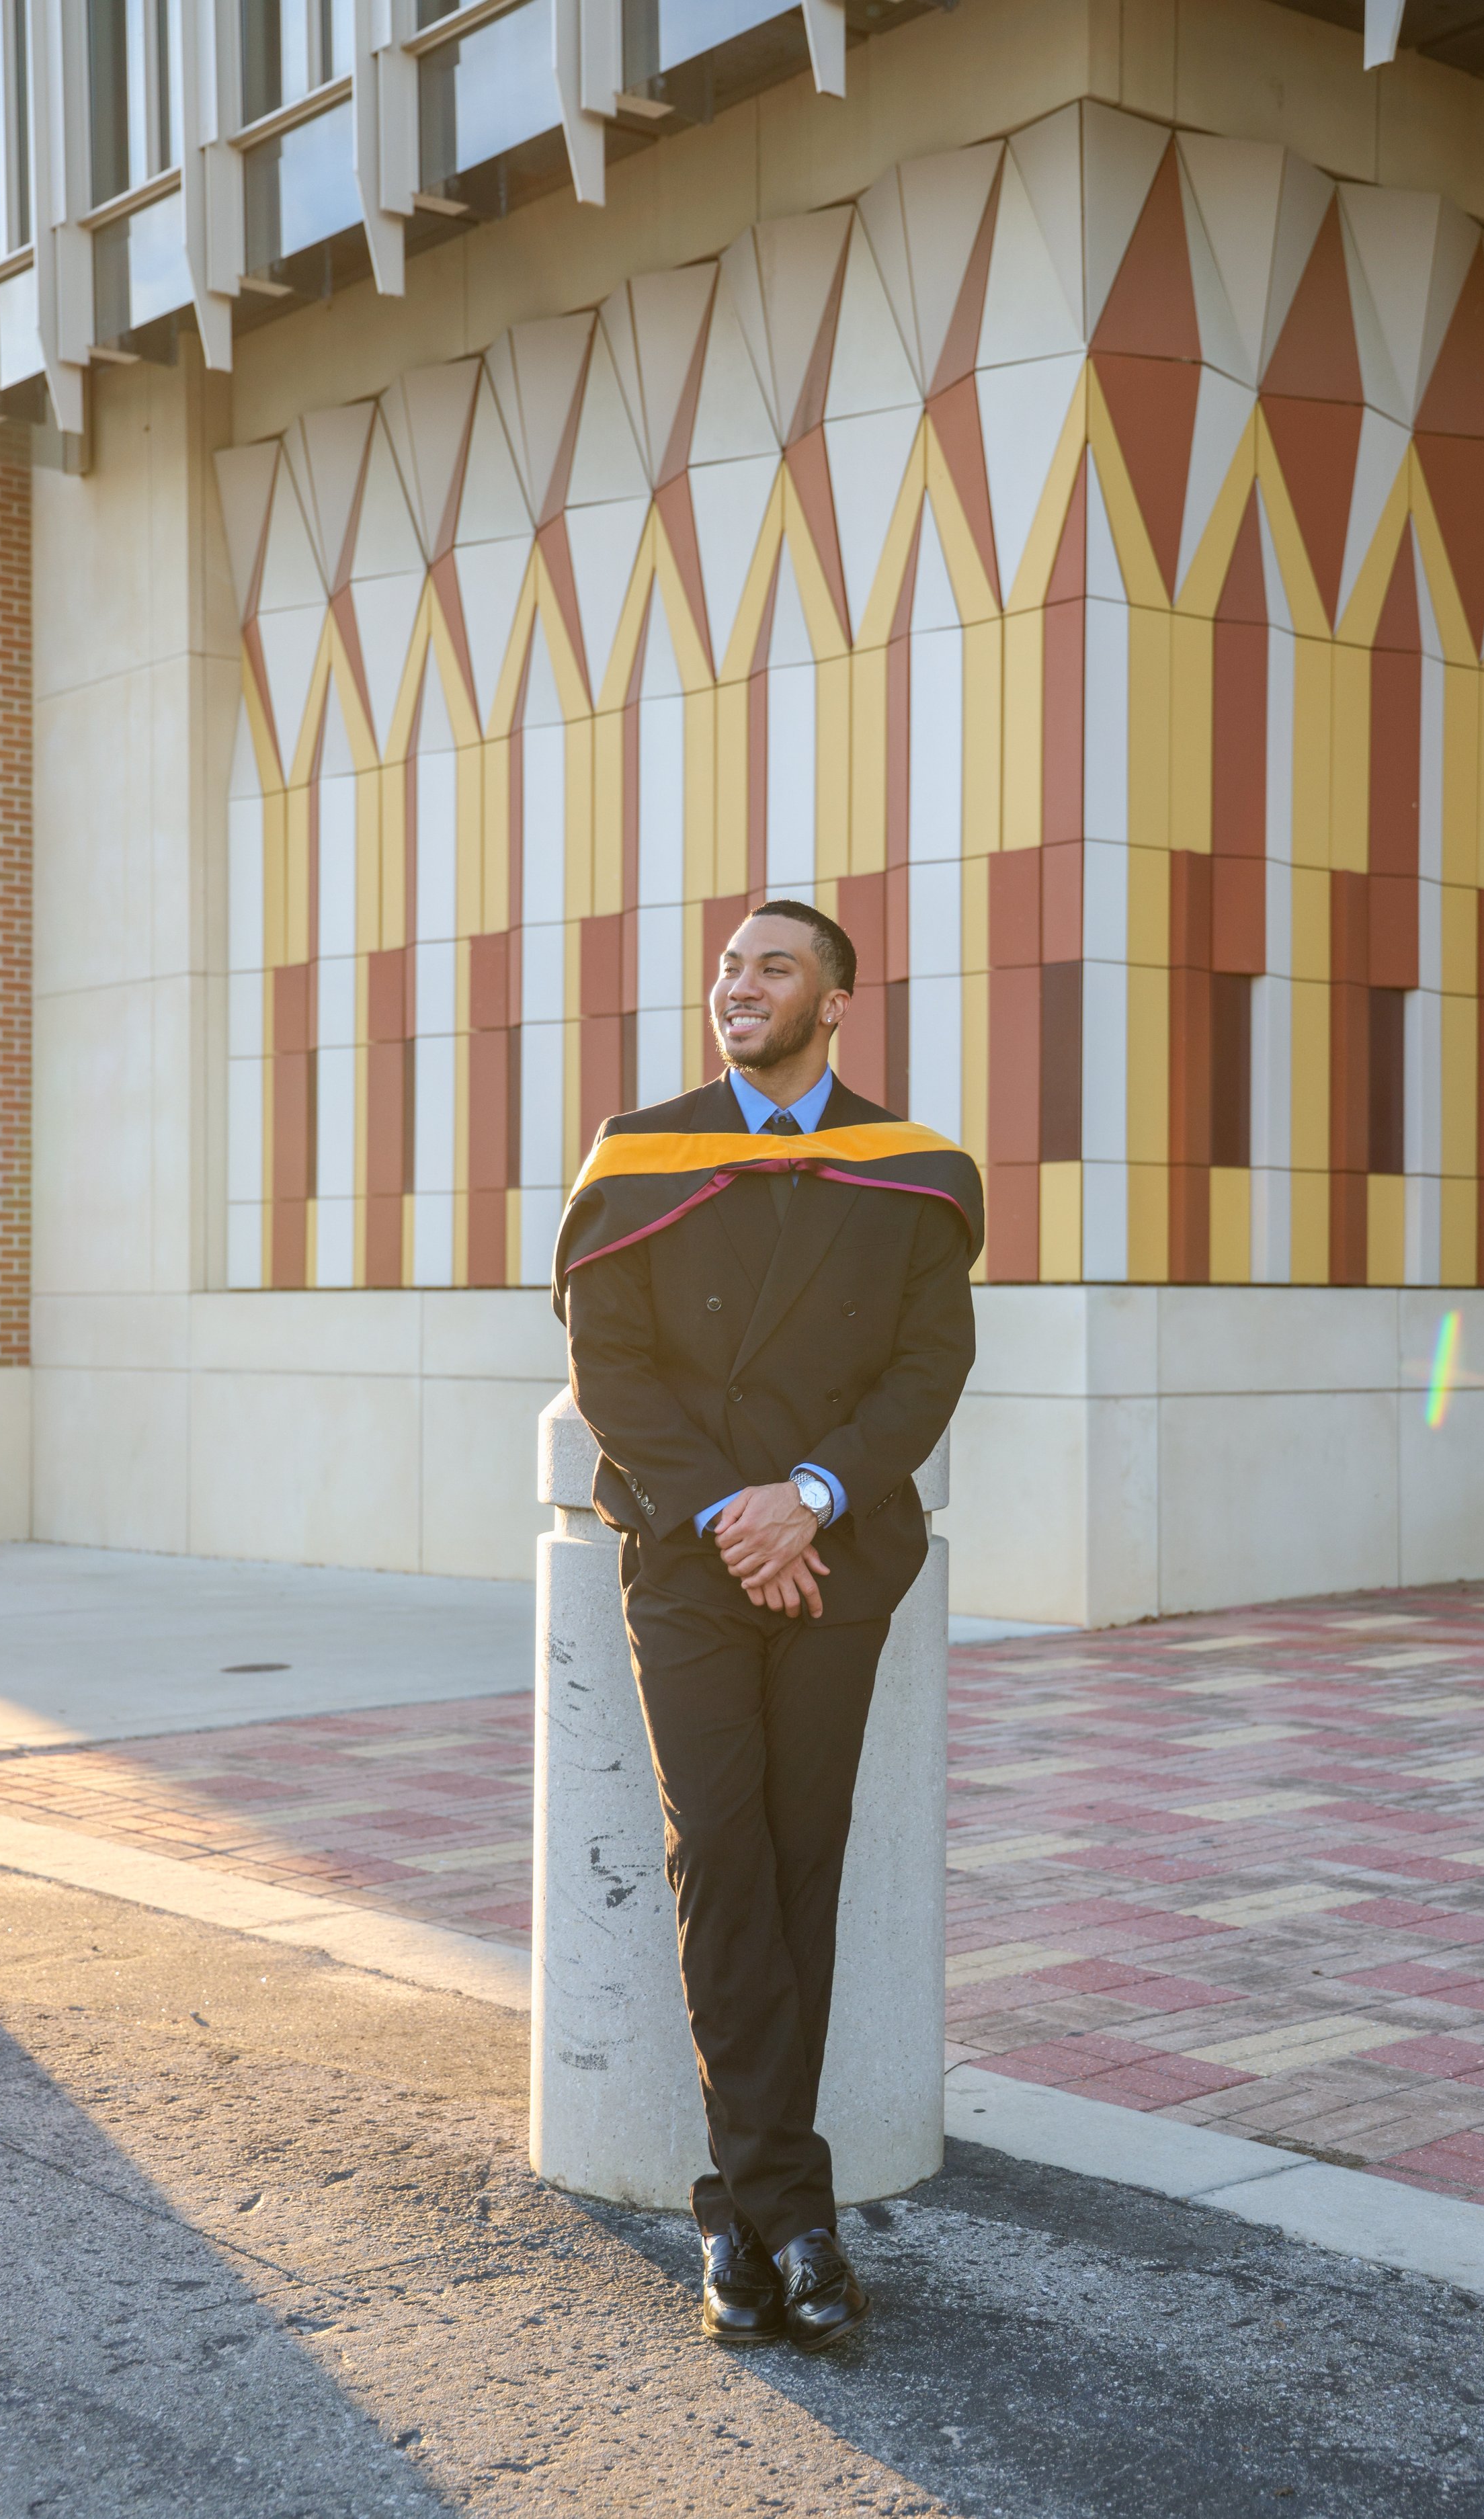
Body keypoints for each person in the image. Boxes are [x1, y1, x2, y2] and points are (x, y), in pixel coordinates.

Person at [554, 899, 981, 2353]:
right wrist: (731, 1515)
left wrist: (806, 1497)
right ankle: (791, 2212)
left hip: (834, 1556)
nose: (739, 983)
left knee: (803, 1863)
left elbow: (928, 1366)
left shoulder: (911, 1170)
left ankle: (743, 2217)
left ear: (836, 999)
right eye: (730, 966)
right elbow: (609, 1361)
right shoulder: (640, 1150)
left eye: (773, 966)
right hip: (691, 1561)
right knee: (722, 1856)